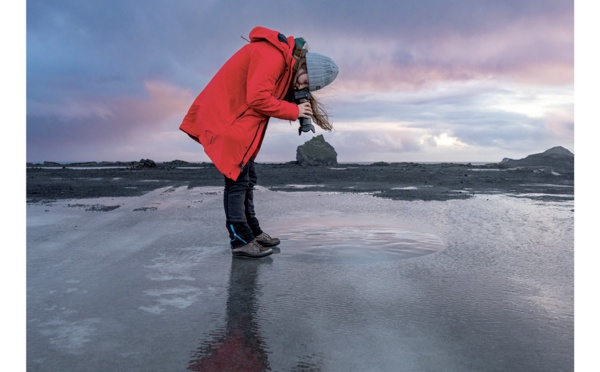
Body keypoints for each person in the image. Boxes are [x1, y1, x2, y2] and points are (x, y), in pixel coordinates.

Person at [180, 26, 339, 258]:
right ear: (304, 66)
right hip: (229, 119)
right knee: (237, 180)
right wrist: (294, 110)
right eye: (305, 82)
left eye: (306, 88)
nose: (301, 87)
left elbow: (266, 94)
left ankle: (252, 231)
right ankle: (240, 240)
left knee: (247, 178)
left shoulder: (283, 62)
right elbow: (257, 98)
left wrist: (295, 103)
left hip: (239, 122)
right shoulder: (272, 56)